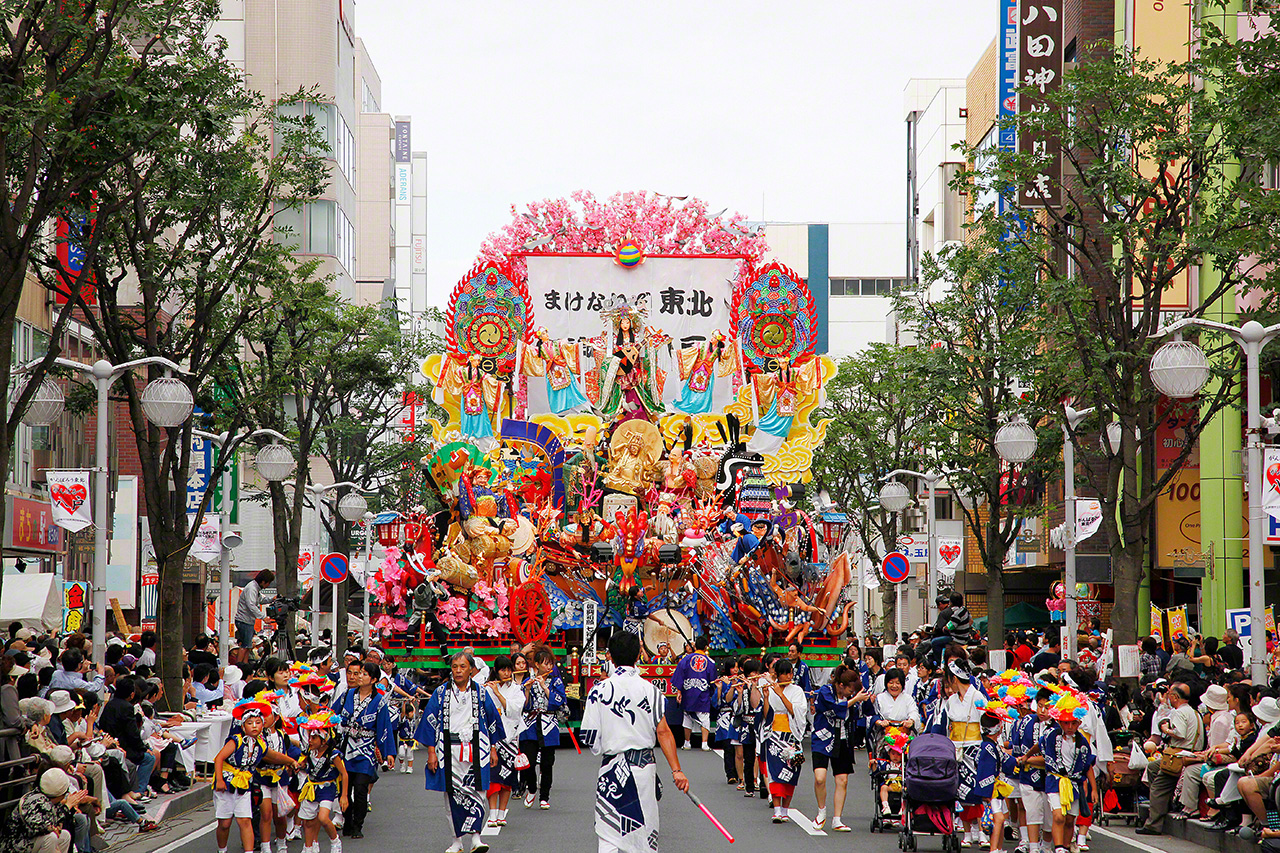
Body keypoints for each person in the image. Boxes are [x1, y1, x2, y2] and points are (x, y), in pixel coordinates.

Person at [579, 630, 688, 853]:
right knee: (644, 828)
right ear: (639, 654)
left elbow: (589, 737)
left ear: (610, 656)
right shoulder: (651, 690)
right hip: (643, 767)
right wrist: (677, 771)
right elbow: (664, 732)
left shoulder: (598, 691)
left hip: (611, 768)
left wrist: (608, 742)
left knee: (608, 832)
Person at [417, 652, 505, 853]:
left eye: (462, 666)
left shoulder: (481, 692)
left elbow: (492, 719)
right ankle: (456, 840)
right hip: (449, 750)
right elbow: (430, 722)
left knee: (478, 792)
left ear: (471, 670)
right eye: (454, 666)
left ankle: (476, 838)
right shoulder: (441, 693)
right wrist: (431, 752)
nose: (458, 670)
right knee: (452, 794)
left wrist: (493, 748)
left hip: (477, 748)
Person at [214, 699, 297, 853]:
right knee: (225, 824)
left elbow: (274, 755)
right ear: (243, 726)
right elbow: (219, 758)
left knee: (245, 820)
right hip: (227, 783)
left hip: (245, 784)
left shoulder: (261, 744)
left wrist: (291, 761)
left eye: (258, 723)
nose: (254, 726)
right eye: (250, 723)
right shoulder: (236, 740)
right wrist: (219, 780)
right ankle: (222, 850)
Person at [332, 660, 395, 838]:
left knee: (360, 788)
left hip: (365, 751)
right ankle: (347, 820)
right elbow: (332, 714)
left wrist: (388, 752)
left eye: (364, 674)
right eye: (359, 673)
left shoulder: (379, 701)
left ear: (373, 679)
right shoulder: (347, 694)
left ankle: (358, 825)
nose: (359, 677)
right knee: (344, 787)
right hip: (346, 748)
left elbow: (384, 727)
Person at [932, 659, 987, 847]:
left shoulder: (978, 697)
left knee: (977, 792)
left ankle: (982, 831)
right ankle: (967, 832)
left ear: (954, 678)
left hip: (975, 748)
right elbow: (941, 723)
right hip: (956, 749)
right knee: (960, 792)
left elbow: (987, 724)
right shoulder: (951, 701)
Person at [1136, 682, 1204, 835]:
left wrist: (1165, 729)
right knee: (1153, 768)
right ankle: (1164, 804)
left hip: (1178, 756)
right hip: (1187, 753)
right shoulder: (1194, 712)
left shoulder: (1179, 713)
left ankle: (1153, 824)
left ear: (1175, 697)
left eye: (1169, 695)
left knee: (1158, 787)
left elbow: (1179, 733)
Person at [810, 664, 866, 832]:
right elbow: (834, 708)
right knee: (820, 778)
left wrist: (865, 700)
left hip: (843, 739)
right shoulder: (825, 691)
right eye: (849, 690)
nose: (851, 693)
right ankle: (821, 811)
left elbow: (863, 712)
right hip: (823, 737)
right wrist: (854, 700)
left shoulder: (853, 695)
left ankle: (837, 819)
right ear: (841, 685)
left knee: (842, 780)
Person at [1043, 695, 1098, 853]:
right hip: (1055, 780)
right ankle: (1058, 847)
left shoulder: (1082, 742)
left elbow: (1087, 765)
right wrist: (1027, 757)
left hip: (1074, 783)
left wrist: (1093, 789)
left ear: (1079, 723)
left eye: (1074, 723)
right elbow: (1040, 749)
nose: (1070, 727)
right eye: (1066, 723)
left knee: (1069, 819)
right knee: (1058, 816)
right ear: (1060, 722)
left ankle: (1066, 846)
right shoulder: (1051, 736)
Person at [518, 644, 565, 809]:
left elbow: (559, 701)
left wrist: (545, 687)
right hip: (530, 724)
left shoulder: (555, 681)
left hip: (549, 724)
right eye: (546, 663)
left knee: (547, 763)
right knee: (528, 762)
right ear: (537, 664)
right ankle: (531, 789)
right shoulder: (528, 680)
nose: (549, 666)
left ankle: (544, 797)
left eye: (551, 663)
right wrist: (527, 690)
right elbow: (522, 705)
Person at [761, 658, 808, 824]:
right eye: (784, 673)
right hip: (774, 736)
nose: (788, 676)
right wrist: (767, 697)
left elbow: (797, 711)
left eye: (790, 673)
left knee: (791, 772)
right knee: (774, 773)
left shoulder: (797, 690)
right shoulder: (771, 688)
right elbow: (767, 714)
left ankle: (785, 810)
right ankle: (777, 810)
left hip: (791, 736)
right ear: (777, 675)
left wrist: (780, 694)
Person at [0, 768, 85, 853]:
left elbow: (57, 820)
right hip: (14, 845)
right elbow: (40, 827)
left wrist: (68, 808)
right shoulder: (35, 801)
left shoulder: (50, 800)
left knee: (65, 836)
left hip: (29, 840)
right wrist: (67, 806)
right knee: (51, 838)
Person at [296, 710, 347, 853]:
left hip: (327, 788)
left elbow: (344, 773)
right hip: (311, 788)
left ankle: (335, 841)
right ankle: (308, 847)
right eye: (309, 737)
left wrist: (344, 796)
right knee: (308, 821)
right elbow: (304, 763)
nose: (310, 741)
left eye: (314, 738)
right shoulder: (309, 751)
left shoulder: (333, 754)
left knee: (323, 818)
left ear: (324, 739)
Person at [484, 655, 524, 828]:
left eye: (509, 670)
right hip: (492, 738)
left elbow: (516, 710)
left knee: (507, 779)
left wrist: (498, 694)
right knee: (493, 777)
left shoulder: (516, 689)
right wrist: (490, 690)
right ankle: (492, 814)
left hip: (510, 737)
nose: (506, 673)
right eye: (503, 670)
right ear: (496, 671)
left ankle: (502, 813)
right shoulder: (487, 689)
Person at [671, 635, 715, 750]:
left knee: (687, 717)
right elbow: (713, 681)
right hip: (702, 691)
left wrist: (679, 691)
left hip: (688, 691)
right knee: (704, 717)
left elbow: (679, 675)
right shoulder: (710, 662)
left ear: (695, 647)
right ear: (706, 647)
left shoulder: (686, 659)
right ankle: (704, 743)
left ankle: (687, 742)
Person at [235, 570, 275, 650]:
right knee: (245, 647)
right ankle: (241, 659)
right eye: (268, 583)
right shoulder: (252, 589)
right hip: (244, 621)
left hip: (247, 621)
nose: (268, 585)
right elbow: (251, 605)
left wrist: (272, 599)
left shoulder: (255, 588)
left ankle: (244, 659)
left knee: (247, 647)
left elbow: (260, 600)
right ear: (263, 581)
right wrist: (263, 617)